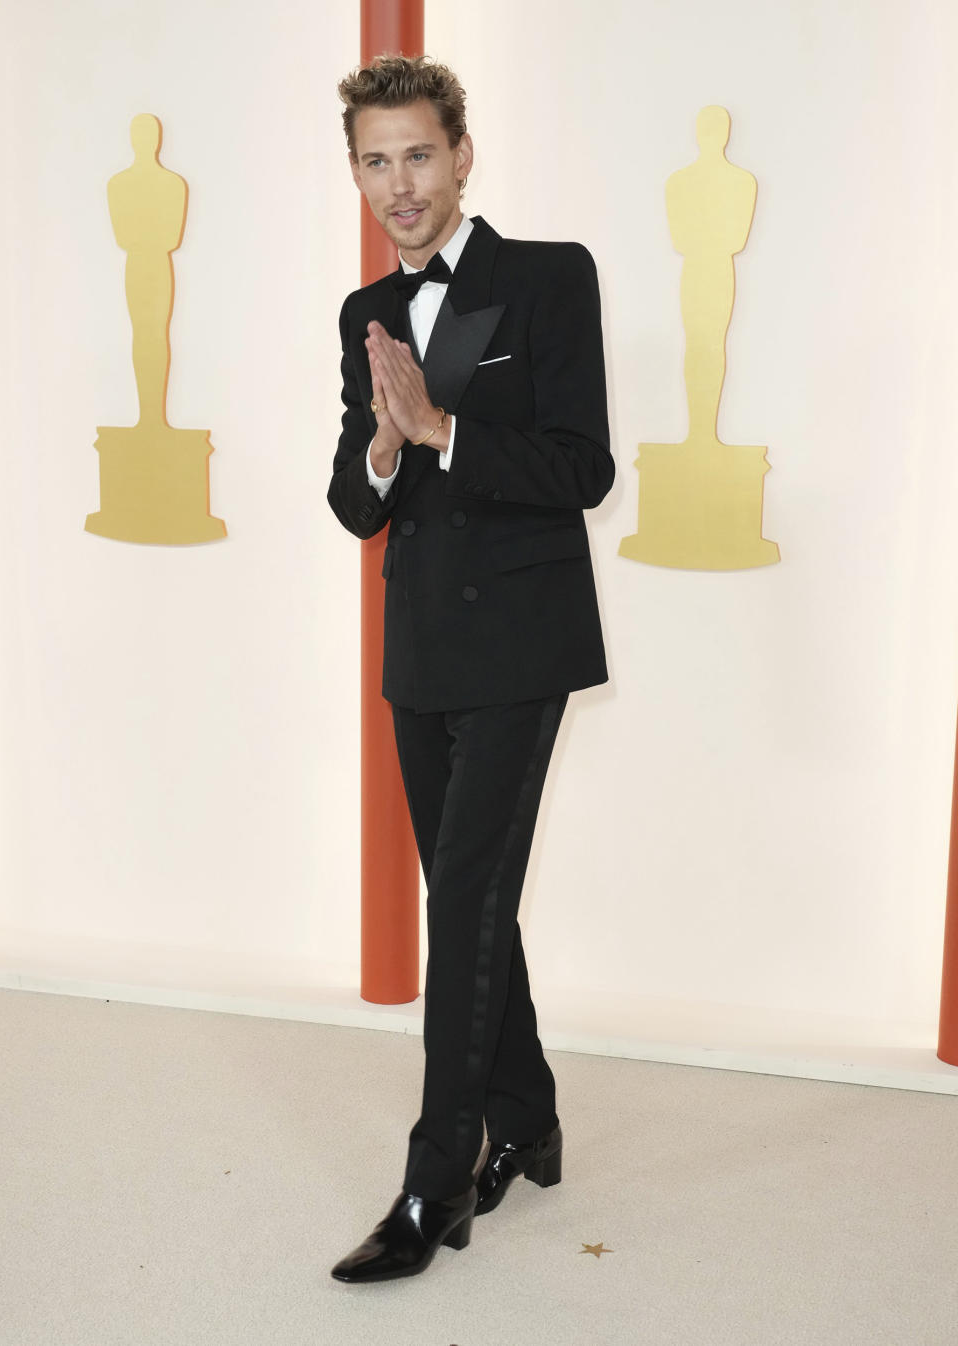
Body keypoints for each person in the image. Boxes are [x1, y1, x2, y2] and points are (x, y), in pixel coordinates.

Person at [327, 54, 614, 1283]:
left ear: (463, 153)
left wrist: (447, 429)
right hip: (422, 653)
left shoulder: (549, 278)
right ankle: (533, 1114)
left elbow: (583, 468)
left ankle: (438, 1177)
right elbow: (353, 503)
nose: (399, 185)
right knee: (475, 896)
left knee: (466, 910)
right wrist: (388, 448)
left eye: (419, 155)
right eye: (375, 161)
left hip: (520, 647)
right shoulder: (364, 315)